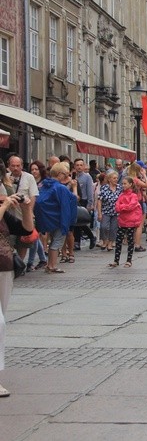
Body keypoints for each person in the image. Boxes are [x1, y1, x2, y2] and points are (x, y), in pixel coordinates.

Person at [0, 193, 36, 397]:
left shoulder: (4, 210)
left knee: (2, 319)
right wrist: (5, 205)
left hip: (4, 267)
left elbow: (26, 230)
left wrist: (26, 209)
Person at [34, 162, 77, 274]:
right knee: (56, 242)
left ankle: (50, 264)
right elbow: (69, 203)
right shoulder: (60, 188)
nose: (67, 176)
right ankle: (52, 266)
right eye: (65, 174)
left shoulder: (44, 184)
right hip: (59, 219)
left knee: (53, 241)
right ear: (59, 174)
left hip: (48, 219)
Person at [6, 154, 39, 260]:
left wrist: (30, 212)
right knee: (9, 242)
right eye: (13, 166)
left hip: (23, 216)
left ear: (21, 166)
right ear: (9, 166)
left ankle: (20, 264)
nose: (15, 168)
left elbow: (33, 195)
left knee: (23, 243)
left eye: (18, 165)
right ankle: (10, 263)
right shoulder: (5, 178)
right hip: (10, 216)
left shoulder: (29, 177)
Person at [109, 177, 143, 268]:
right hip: (122, 221)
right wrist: (123, 207)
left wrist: (122, 207)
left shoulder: (134, 196)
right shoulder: (121, 195)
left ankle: (129, 260)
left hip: (131, 221)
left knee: (130, 240)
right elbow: (116, 207)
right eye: (122, 184)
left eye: (125, 184)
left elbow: (131, 206)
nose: (123, 185)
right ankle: (116, 260)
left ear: (130, 184)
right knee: (119, 240)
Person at [26, 161, 48, 271]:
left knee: (34, 236)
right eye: (32, 169)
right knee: (34, 236)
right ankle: (42, 259)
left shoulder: (45, 182)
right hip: (29, 211)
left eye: (36, 169)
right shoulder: (29, 180)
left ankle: (30, 262)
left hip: (40, 211)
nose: (34, 171)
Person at [72, 158, 97, 250]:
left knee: (81, 222)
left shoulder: (87, 177)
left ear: (84, 166)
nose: (79, 167)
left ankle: (89, 237)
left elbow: (90, 191)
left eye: (81, 165)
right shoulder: (73, 176)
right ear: (74, 166)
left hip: (84, 201)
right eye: (77, 165)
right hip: (74, 201)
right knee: (76, 223)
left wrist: (90, 204)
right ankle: (78, 242)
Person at [97, 171, 121, 251]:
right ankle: (105, 240)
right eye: (114, 178)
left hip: (116, 212)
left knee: (113, 228)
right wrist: (99, 213)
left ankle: (110, 243)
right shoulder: (104, 188)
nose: (116, 180)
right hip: (106, 211)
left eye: (117, 178)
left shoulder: (119, 188)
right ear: (109, 179)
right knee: (103, 227)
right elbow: (99, 200)